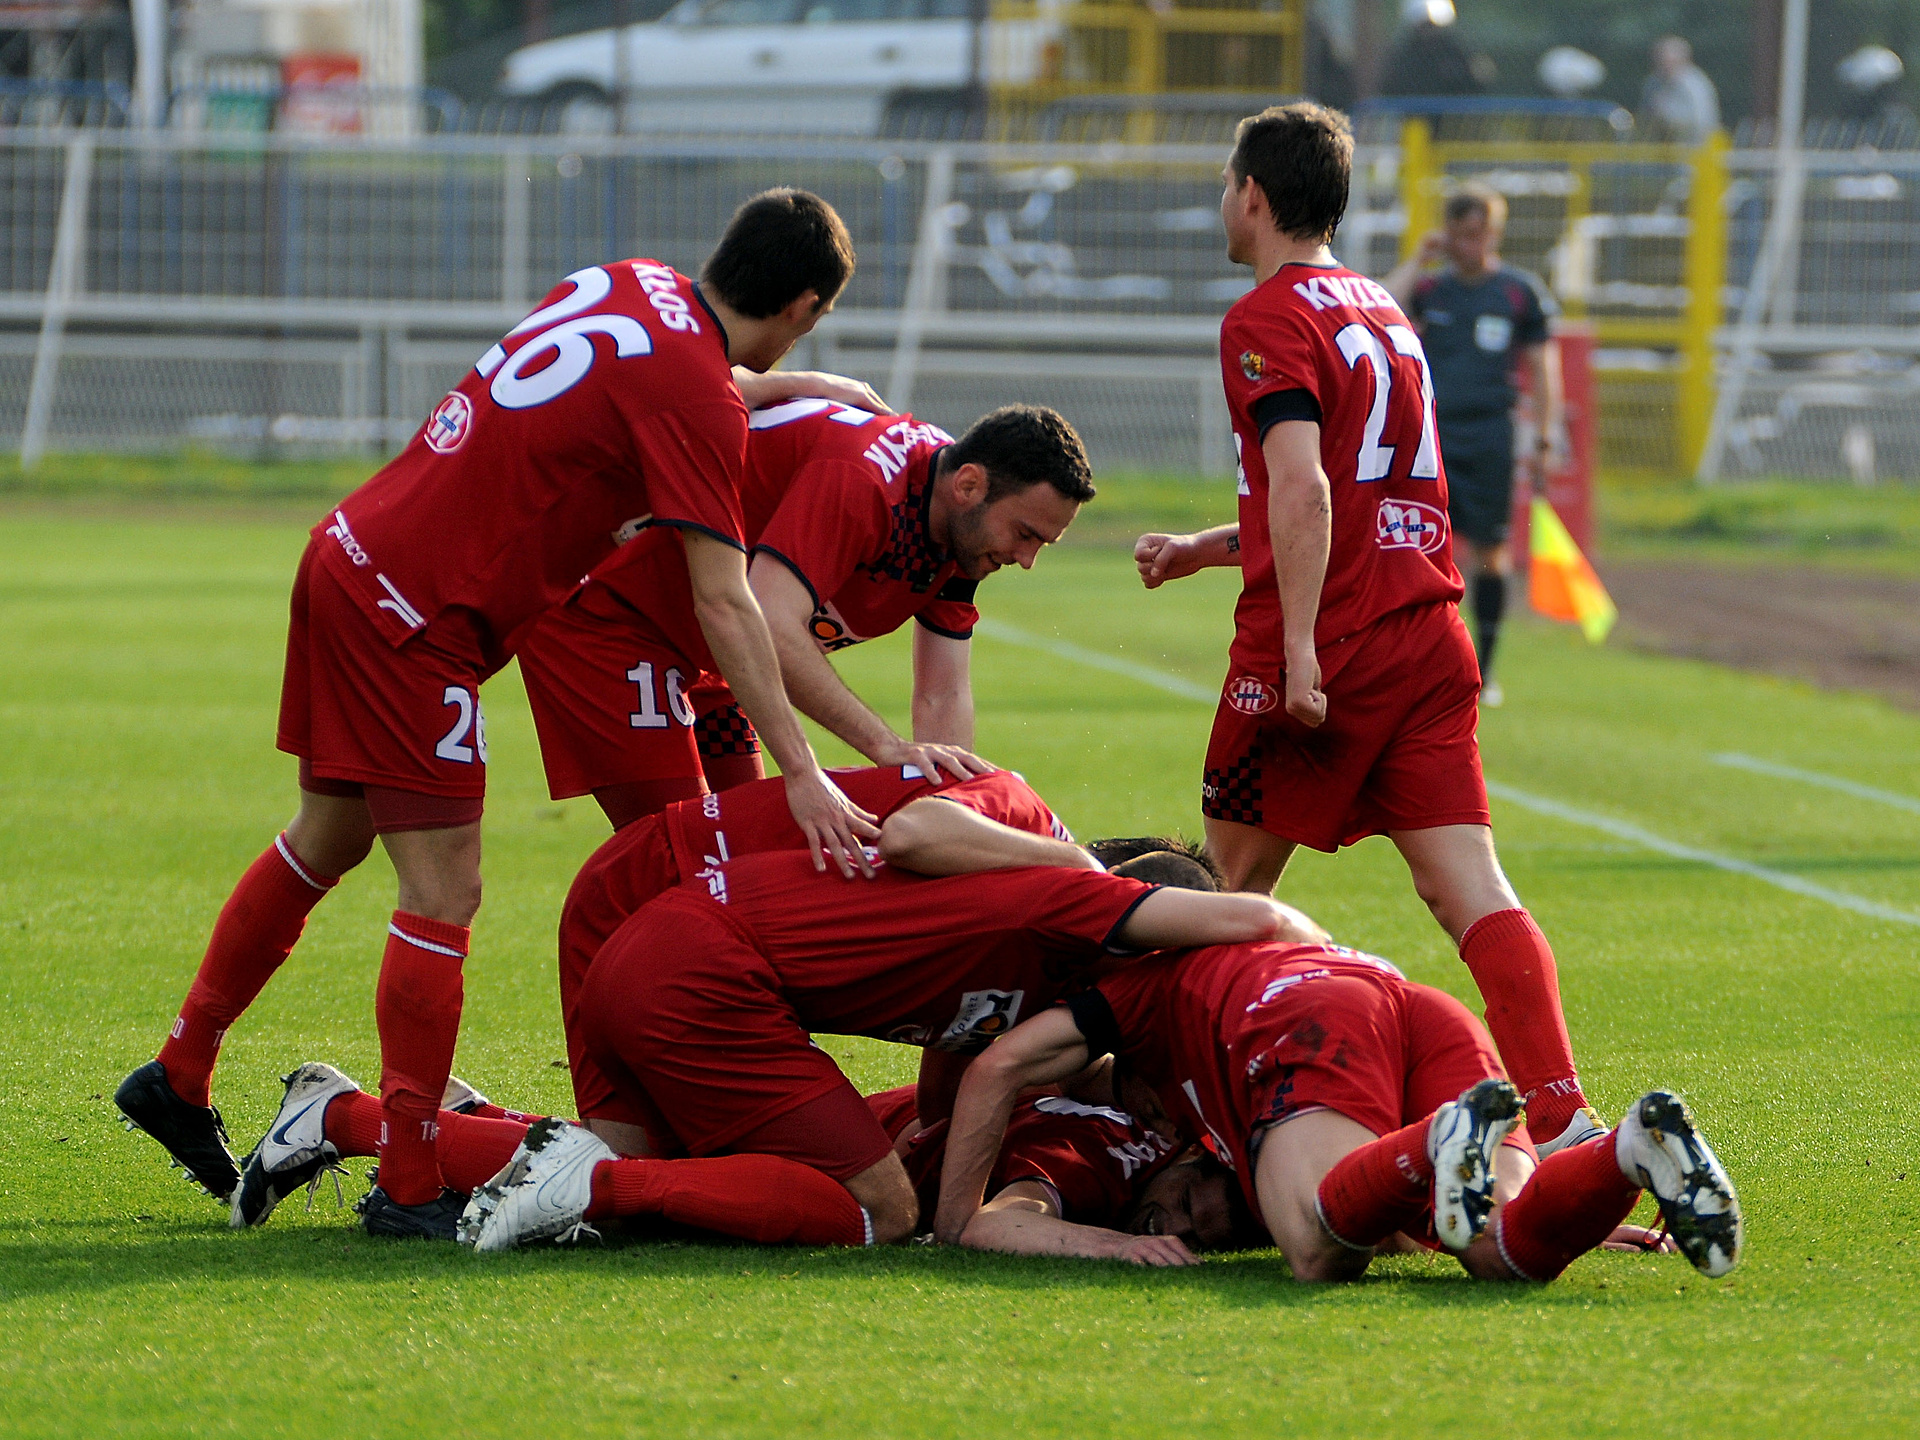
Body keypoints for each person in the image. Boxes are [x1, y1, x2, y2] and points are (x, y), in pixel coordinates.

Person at [115, 189, 883, 1238]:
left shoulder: (632, 282)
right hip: (419, 616)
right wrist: (801, 766)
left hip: (352, 551)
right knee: (445, 888)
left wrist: (788, 383)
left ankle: (180, 1068)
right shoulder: (700, 399)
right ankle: (412, 1182)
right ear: (804, 305)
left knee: (327, 837)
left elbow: (661, 381)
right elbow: (724, 597)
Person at [1131, 103, 1601, 1159]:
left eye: (1225, 180)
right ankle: (1566, 1118)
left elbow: (1305, 489)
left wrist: (1298, 650)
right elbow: (1357, 485)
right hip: (1429, 635)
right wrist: (1211, 547)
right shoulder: (1386, 307)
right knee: (1469, 886)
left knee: (1222, 893)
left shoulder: (1266, 317)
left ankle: (1168, 1128)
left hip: (1331, 649)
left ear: (1253, 194)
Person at [464, 851, 1311, 1250]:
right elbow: (1259, 920)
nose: (1196, 1225)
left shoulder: (1058, 1006)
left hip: (667, 943)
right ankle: (596, 1185)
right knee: (885, 1212)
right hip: (699, 967)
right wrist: (1331, 976)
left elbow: (972, 1059)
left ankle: (376, 1122)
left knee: (662, 1159)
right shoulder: (1072, 914)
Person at [932, 919, 1744, 1285]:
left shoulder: (1139, 994)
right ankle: (1628, 1149)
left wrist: (954, 1219)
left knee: (1319, 1251)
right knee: (1501, 1251)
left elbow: (998, 1065)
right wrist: (1585, 1212)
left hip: (1306, 1015)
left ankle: (1438, 1137)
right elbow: (1395, 1220)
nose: (1179, 1221)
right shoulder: (1172, 1070)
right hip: (1406, 1002)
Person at [514, 401, 1093, 829]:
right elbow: (768, 619)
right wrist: (885, 747)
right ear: (969, 485)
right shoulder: (866, 480)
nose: (1026, 560)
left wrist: (952, 814)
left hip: (716, 656)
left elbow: (941, 697)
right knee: (681, 856)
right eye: (1024, 534)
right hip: (612, 618)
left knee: (748, 844)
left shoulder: (959, 528)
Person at [1383, 182, 1562, 704]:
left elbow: (1543, 367)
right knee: (1426, 546)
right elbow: (1378, 305)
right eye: (1461, 235)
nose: (1470, 245)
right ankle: (1430, 662)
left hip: (1489, 433)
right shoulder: (1432, 289)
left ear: (1495, 233)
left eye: (1480, 235)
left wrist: (1545, 436)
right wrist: (1418, 257)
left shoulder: (1517, 292)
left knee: (1490, 548)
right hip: (1432, 432)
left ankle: (1485, 669)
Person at [1639, 36, 1720, 145]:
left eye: (1667, 61)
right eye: (1659, 60)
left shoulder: (1695, 85)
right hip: (1658, 145)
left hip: (1692, 145)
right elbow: (1644, 116)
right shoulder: (1653, 83)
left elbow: (1703, 121)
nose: (1663, 65)